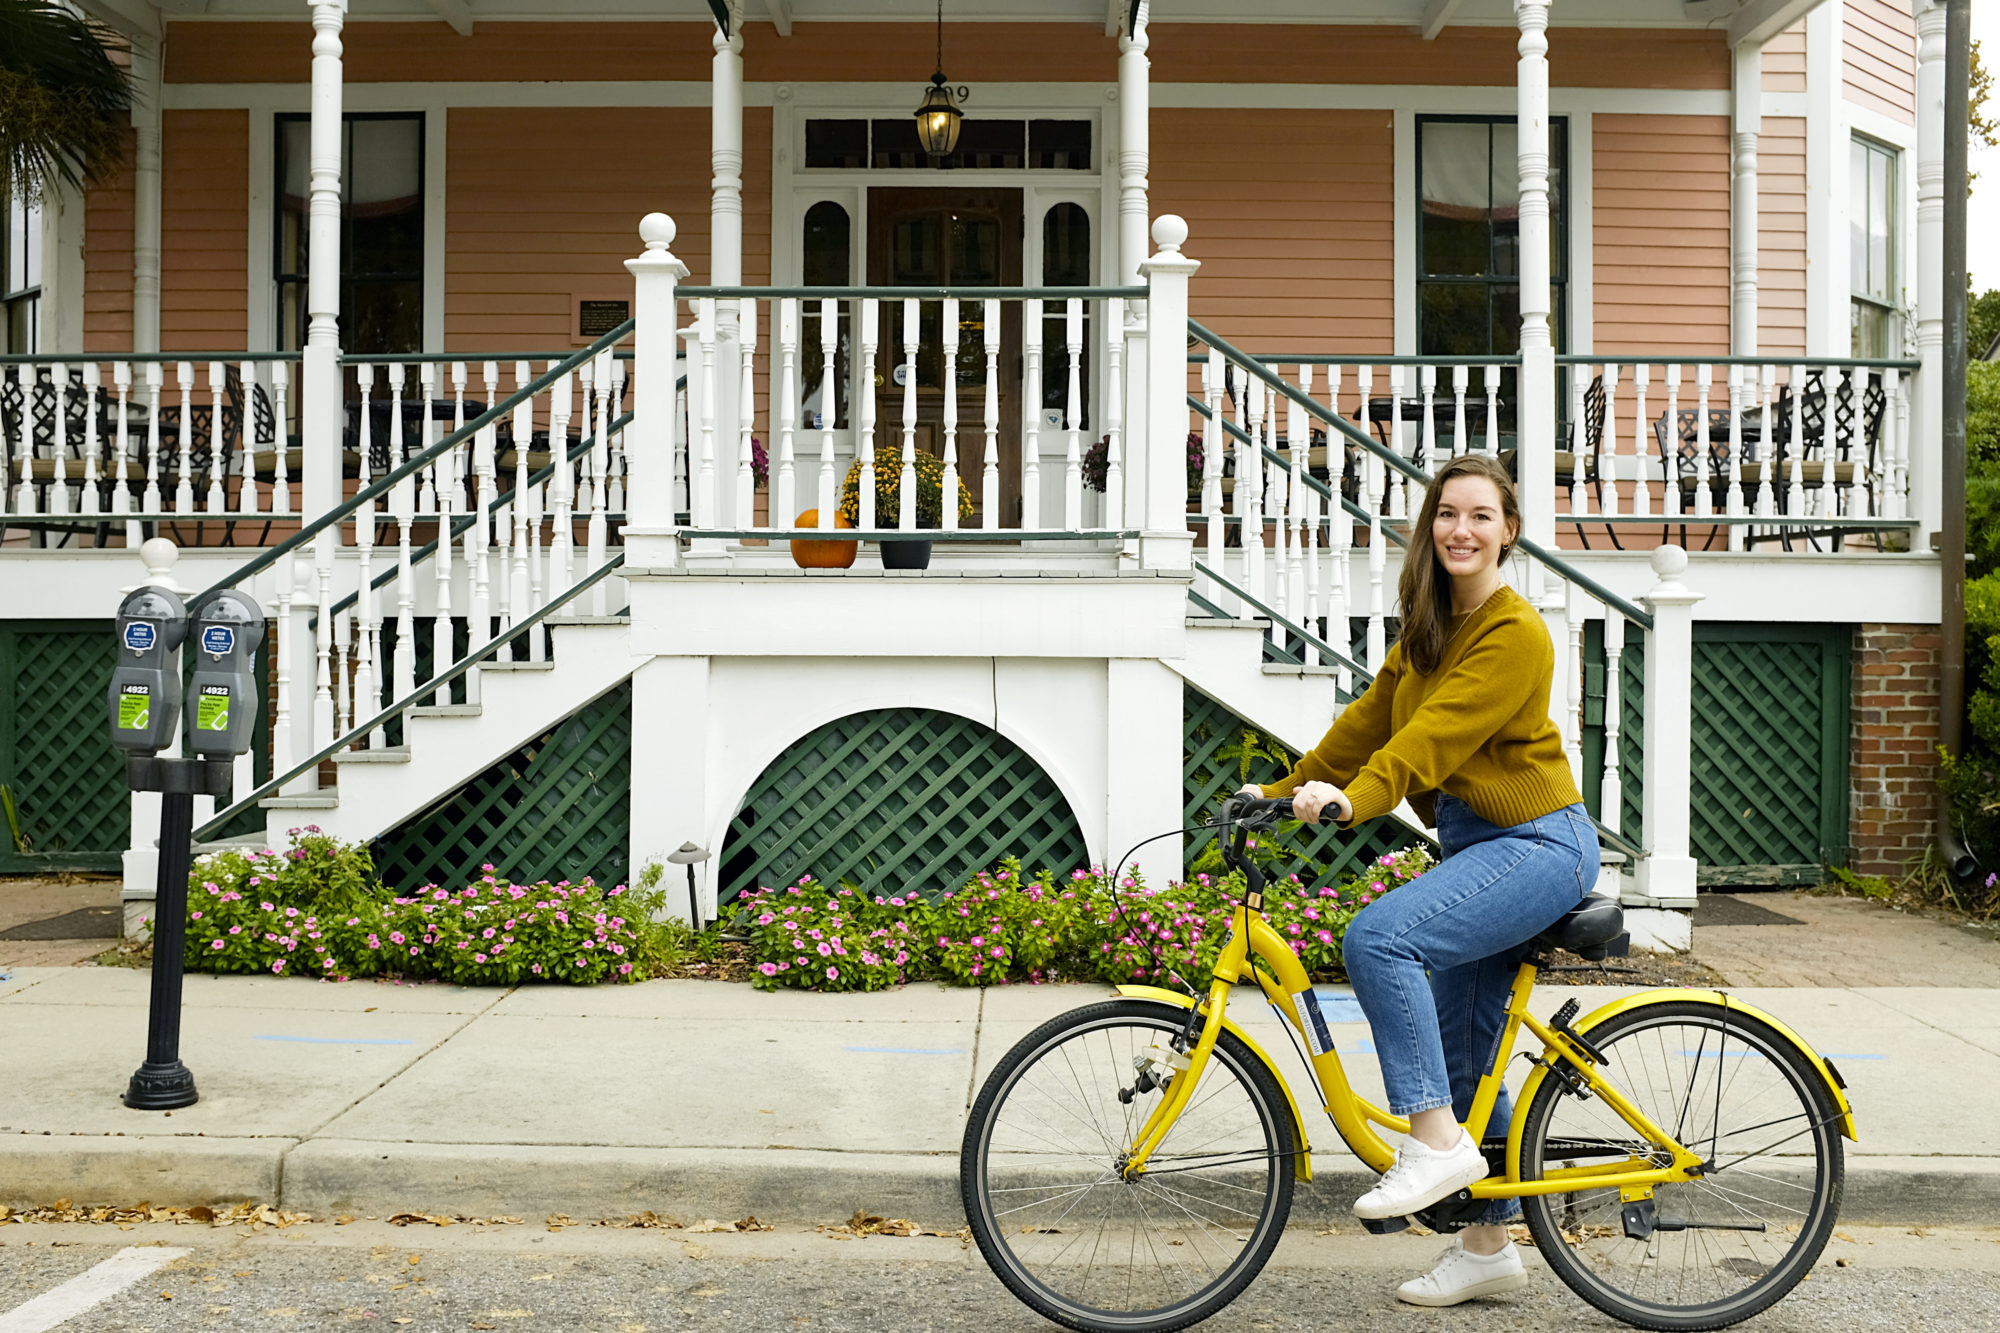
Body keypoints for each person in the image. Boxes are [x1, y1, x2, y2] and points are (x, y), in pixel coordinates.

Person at [1241, 451, 1598, 1308]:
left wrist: (1353, 802)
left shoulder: (1514, 631)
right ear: (1429, 527)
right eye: (1447, 514)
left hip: (1539, 841)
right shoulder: (1427, 629)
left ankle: (1434, 1144)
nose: (1461, 529)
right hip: (1481, 847)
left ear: (1508, 531)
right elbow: (1369, 722)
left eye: (1480, 515)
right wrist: (1284, 790)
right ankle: (1485, 1249)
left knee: (1379, 937)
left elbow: (1429, 740)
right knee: (1465, 1053)